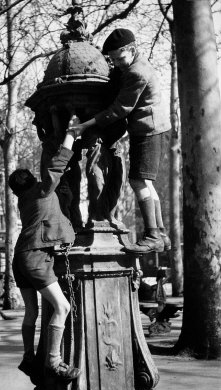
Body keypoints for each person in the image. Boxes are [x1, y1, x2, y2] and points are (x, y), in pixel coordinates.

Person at [68, 28, 171, 254]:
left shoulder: (137, 72)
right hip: (150, 129)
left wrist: (86, 124)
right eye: (112, 60)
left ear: (132, 50)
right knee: (146, 183)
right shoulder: (133, 66)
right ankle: (160, 233)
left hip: (148, 131)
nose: (116, 63)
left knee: (138, 182)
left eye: (119, 58)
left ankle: (153, 235)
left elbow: (121, 109)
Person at [9, 115, 81, 382]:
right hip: (36, 256)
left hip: (20, 258)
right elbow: (58, 164)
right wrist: (71, 133)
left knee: (31, 311)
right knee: (62, 308)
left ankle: (29, 356)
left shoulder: (24, 201)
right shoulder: (42, 192)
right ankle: (54, 363)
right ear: (33, 182)